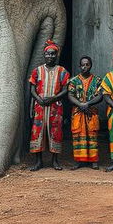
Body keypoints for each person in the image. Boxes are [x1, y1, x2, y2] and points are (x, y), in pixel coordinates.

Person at [28, 40, 70, 171]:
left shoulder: (62, 71)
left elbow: (65, 89)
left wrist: (53, 98)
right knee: (37, 133)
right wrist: (38, 99)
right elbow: (32, 89)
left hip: (55, 107)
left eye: (53, 54)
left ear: (56, 55)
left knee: (55, 132)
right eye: (48, 54)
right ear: (44, 55)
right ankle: (38, 161)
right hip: (40, 106)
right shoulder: (37, 71)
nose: (50, 56)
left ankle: (55, 161)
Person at [67, 55, 102, 169]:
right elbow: (70, 95)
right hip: (78, 112)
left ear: (90, 65)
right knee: (78, 135)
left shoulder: (97, 80)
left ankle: (93, 160)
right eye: (83, 65)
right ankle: (78, 160)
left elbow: (100, 96)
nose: (85, 67)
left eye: (87, 64)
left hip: (91, 111)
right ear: (79, 66)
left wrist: (88, 104)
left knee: (92, 135)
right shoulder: (73, 80)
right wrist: (80, 104)